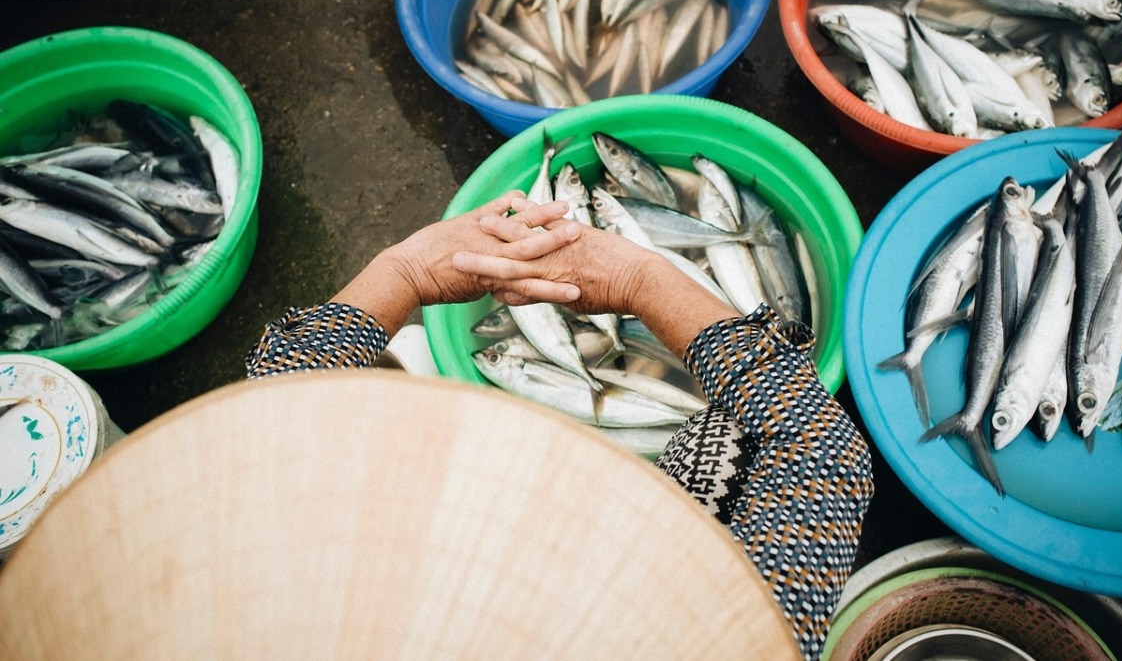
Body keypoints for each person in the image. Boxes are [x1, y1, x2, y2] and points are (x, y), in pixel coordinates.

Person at [245, 191, 874, 659]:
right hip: (672, 540)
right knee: (735, 431)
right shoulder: (742, 639)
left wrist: (403, 272)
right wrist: (643, 280)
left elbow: (261, 426)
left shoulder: (275, 608)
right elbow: (821, 451)